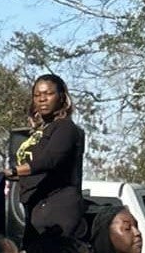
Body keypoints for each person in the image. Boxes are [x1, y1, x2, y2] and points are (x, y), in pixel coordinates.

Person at [8, 74, 87, 243]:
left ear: (61, 97)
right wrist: (1, 174)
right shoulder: (39, 132)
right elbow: (31, 171)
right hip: (35, 209)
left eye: (48, 93)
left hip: (57, 208)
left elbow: (49, 160)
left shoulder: (65, 127)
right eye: (37, 95)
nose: (42, 99)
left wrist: (13, 170)